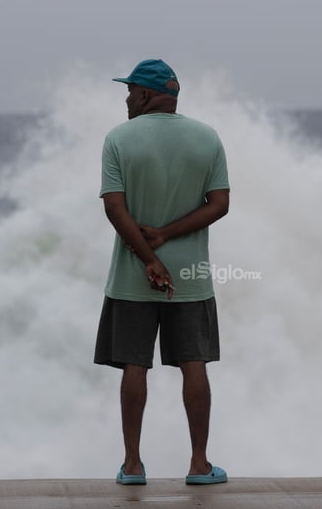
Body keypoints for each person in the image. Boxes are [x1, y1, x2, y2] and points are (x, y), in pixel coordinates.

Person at [94, 59, 230, 486]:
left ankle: (132, 465)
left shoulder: (118, 139)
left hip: (132, 278)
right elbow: (219, 204)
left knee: (134, 366)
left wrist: (148, 260)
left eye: (131, 90)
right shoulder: (207, 138)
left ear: (148, 94)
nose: (127, 98)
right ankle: (199, 464)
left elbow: (114, 207)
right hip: (189, 277)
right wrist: (166, 238)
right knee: (194, 364)